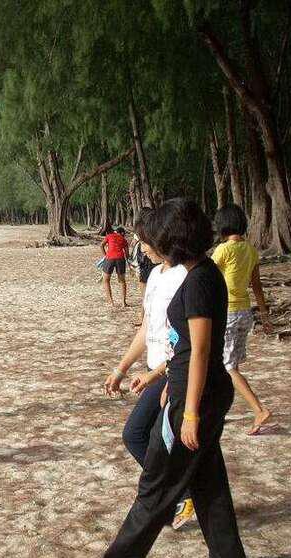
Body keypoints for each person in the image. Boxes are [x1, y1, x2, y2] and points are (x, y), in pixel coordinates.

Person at [72, 198, 250, 558]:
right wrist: (167, 378)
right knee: (208, 483)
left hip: (196, 399)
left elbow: (201, 351)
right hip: (191, 389)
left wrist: (190, 412)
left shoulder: (199, 281)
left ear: (173, 240)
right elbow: (185, 349)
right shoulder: (199, 273)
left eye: (150, 239)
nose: (145, 246)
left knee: (156, 483)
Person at [103, 213, 195, 530]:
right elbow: (146, 329)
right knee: (161, 441)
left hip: (173, 372)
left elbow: (187, 341)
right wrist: (121, 369)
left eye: (144, 241)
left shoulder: (186, 276)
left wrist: (155, 376)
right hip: (154, 368)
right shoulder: (155, 274)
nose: (140, 248)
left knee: (136, 434)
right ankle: (183, 495)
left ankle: (180, 494)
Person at [212, 205, 273, 435]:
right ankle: (219, 411)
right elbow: (256, 285)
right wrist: (264, 315)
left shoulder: (223, 250)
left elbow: (207, 278)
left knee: (228, 367)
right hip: (245, 313)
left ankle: (259, 409)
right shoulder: (251, 250)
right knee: (227, 365)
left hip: (227, 313)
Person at [100, 224, 129, 307]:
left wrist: (105, 255)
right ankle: (123, 302)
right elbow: (127, 254)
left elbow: (101, 245)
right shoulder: (124, 239)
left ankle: (111, 302)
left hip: (109, 258)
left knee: (106, 280)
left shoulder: (109, 236)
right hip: (120, 259)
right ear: (122, 233)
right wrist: (129, 261)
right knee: (122, 281)